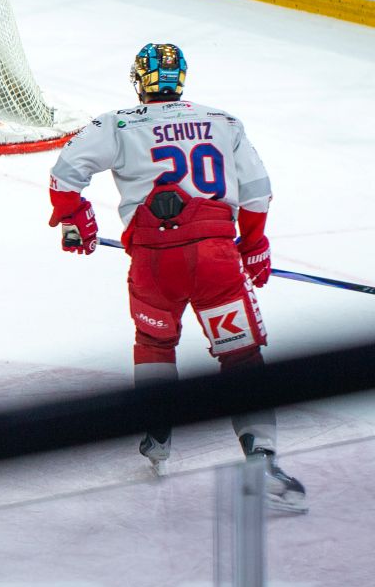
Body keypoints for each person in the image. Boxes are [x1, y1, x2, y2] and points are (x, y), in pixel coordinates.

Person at [47, 42, 306, 512]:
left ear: (139, 80)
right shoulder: (222, 121)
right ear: (180, 79)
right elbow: (257, 193)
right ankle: (262, 459)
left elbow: (64, 175)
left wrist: (75, 219)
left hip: (153, 264)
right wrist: (252, 245)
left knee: (154, 344)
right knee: (242, 357)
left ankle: (156, 432)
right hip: (215, 260)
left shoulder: (118, 122)